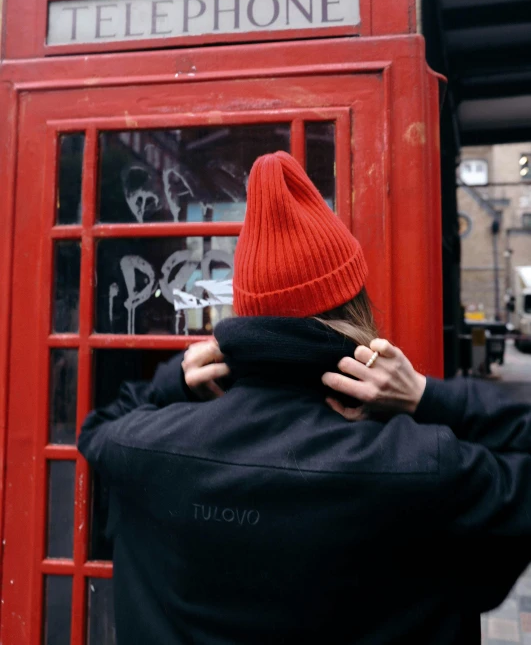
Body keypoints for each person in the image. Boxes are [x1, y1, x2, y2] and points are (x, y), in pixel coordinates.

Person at [79, 151, 531, 645]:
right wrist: (426, 396)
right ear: (355, 307)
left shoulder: (140, 447)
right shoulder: (421, 464)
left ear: (246, 312)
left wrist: (174, 380)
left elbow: (96, 428)